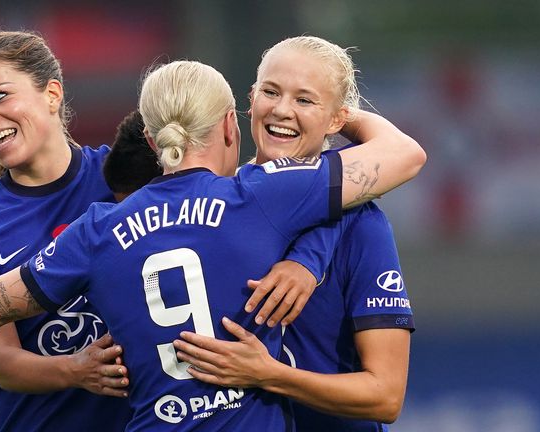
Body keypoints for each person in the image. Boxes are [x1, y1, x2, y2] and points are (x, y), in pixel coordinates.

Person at [0, 59, 424, 430]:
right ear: (231, 122)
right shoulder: (259, 196)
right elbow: (402, 154)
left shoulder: (98, 226)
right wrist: (340, 114)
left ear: (152, 142)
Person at [172, 36, 415, 431]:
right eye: (270, 91)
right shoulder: (208, 205)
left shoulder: (362, 224)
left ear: (338, 120)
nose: (282, 110)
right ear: (250, 98)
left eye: (304, 100)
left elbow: (385, 396)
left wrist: (269, 374)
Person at [0, 30, 132, 431]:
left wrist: (294, 264)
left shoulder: (124, 177)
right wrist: (76, 369)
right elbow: (4, 364)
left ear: (52, 94)